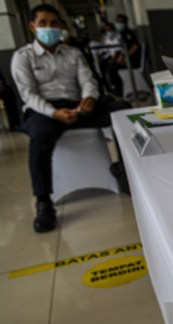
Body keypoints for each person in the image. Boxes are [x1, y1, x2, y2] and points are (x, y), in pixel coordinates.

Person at [11, 4, 131, 233]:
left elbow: (88, 81)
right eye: (43, 23)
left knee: (122, 109)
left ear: (61, 26)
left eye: (53, 23)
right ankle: (44, 201)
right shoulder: (22, 57)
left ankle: (124, 171)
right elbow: (28, 94)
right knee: (40, 136)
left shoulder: (73, 53)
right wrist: (54, 113)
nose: (49, 28)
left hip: (78, 106)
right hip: (44, 111)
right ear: (32, 26)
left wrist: (89, 99)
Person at [99, 22, 125, 96]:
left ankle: (118, 90)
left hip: (119, 58)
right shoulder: (106, 38)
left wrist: (112, 60)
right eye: (107, 30)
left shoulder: (118, 37)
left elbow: (118, 51)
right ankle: (108, 88)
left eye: (110, 30)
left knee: (111, 70)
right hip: (110, 56)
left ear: (113, 29)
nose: (108, 32)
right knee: (101, 66)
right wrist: (101, 55)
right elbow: (106, 49)